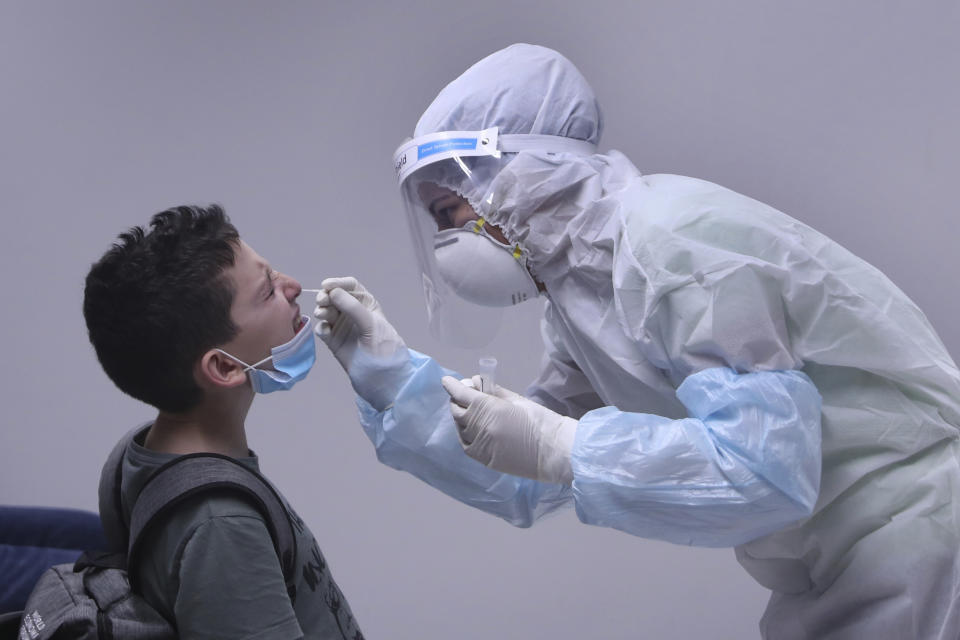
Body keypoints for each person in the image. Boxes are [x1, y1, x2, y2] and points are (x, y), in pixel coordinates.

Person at [313, 44, 960, 638]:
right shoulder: (582, 297)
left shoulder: (676, 242)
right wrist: (393, 381)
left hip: (918, 535)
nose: (450, 238)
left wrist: (558, 445)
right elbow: (525, 474)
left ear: (515, 171)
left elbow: (768, 472)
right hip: (833, 563)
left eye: (450, 211)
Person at [83, 205, 364, 640]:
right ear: (225, 367)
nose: (293, 287)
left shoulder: (133, 455)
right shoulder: (222, 526)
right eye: (268, 291)